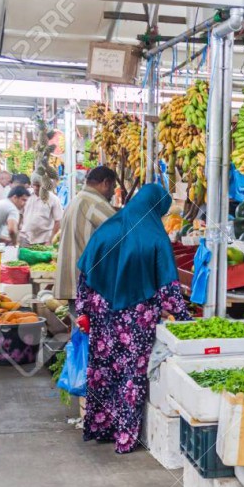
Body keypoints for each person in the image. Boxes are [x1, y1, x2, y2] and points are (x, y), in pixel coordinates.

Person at [76, 183, 190, 453]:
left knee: (103, 368)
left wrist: (85, 308)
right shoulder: (155, 236)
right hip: (136, 318)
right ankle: (124, 438)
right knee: (131, 375)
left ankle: (102, 427)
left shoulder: (108, 228)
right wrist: (185, 319)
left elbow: (85, 275)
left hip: (102, 312)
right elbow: (168, 290)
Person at [53, 166, 118, 305]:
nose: (113, 193)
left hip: (73, 282)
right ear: (106, 183)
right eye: (113, 187)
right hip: (88, 286)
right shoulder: (96, 203)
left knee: (78, 325)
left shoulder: (76, 200)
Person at [19, 173, 64, 246]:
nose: (36, 188)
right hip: (25, 238)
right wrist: (17, 233)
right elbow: (19, 214)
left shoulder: (53, 199)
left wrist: (51, 240)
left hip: (44, 240)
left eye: (39, 185)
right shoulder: (25, 195)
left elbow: (58, 221)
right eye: (34, 185)